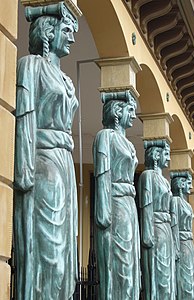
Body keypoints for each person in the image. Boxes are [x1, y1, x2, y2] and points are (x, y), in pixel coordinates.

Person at [14, 3, 79, 299]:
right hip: (44, 162)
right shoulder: (31, 65)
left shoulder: (67, 80)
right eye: (66, 30)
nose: (72, 38)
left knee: (65, 253)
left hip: (65, 163)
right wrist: (24, 173)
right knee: (48, 249)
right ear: (48, 32)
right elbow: (25, 117)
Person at [93, 91, 141, 300]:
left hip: (129, 205)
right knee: (119, 263)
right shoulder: (105, 136)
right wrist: (103, 213)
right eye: (130, 110)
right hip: (116, 204)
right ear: (117, 111)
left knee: (131, 264)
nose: (133, 115)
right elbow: (102, 176)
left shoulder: (129, 144)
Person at [138, 140, 175, 300]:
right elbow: (146, 206)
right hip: (155, 229)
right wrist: (147, 235)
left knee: (167, 277)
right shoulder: (148, 176)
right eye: (166, 154)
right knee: (158, 273)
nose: (169, 159)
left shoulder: (165, 181)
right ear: (156, 155)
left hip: (166, 231)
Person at [170, 172, 194, 299]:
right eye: (188, 183)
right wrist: (176, 249)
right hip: (181, 243)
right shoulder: (175, 201)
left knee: (192, 277)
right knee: (185, 278)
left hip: (189, 243)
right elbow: (174, 225)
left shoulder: (189, 205)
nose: (190, 187)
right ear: (180, 184)